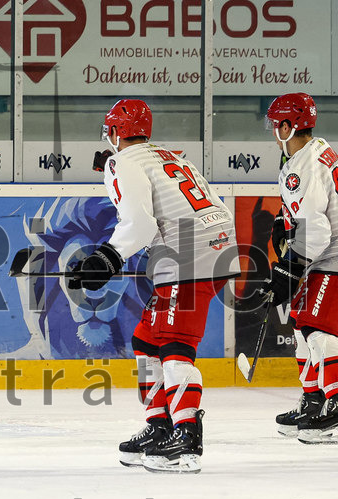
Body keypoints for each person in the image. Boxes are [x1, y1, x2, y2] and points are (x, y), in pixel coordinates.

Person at [74, 99, 238, 473]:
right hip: (213, 246)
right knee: (146, 339)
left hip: (188, 255)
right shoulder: (170, 155)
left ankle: (186, 435)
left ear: (115, 132)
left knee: (173, 342)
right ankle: (159, 424)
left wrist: (107, 258)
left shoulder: (123, 161)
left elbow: (140, 224)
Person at [262, 93, 338, 444]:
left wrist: (289, 267)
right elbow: (309, 209)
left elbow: (318, 229)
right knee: (301, 323)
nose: (272, 129)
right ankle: (313, 400)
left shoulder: (304, 165)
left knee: (317, 327)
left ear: (289, 125)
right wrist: (284, 219)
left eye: (276, 123)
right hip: (323, 253)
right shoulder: (313, 150)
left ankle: (335, 403)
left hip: (331, 254)